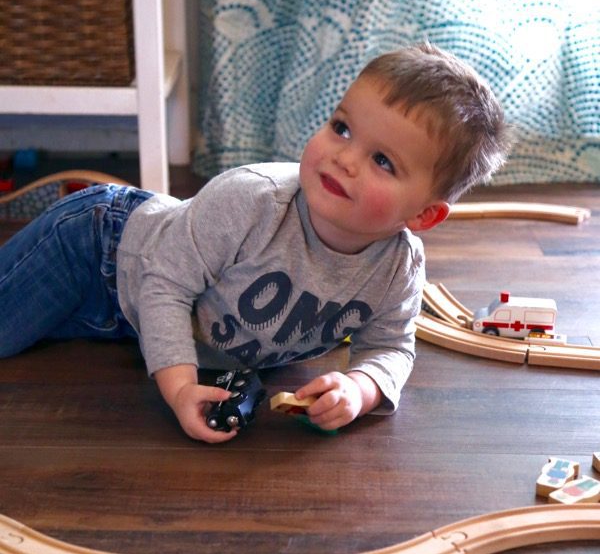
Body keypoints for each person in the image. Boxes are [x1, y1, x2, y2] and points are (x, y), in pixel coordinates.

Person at [0, 43, 513, 443]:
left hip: (129, 323)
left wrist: (358, 390)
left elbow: (391, 347)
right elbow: (165, 285)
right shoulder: (253, 200)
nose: (345, 159)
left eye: (382, 161)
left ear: (424, 215)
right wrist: (179, 389)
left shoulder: (397, 268)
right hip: (98, 252)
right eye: (341, 128)